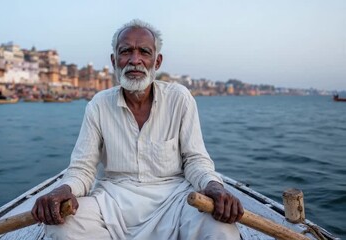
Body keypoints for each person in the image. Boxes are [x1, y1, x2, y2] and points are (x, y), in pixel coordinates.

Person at [32, 19, 243, 239]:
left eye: (144, 52)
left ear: (157, 61)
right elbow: (83, 168)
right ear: (114, 60)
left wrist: (213, 186)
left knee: (221, 229)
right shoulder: (98, 104)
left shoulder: (179, 98)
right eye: (126, 52)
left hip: (175, 199)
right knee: (61, 227)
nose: (135, 60)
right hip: (112, 200)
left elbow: (196, 160)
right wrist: (65, 189)